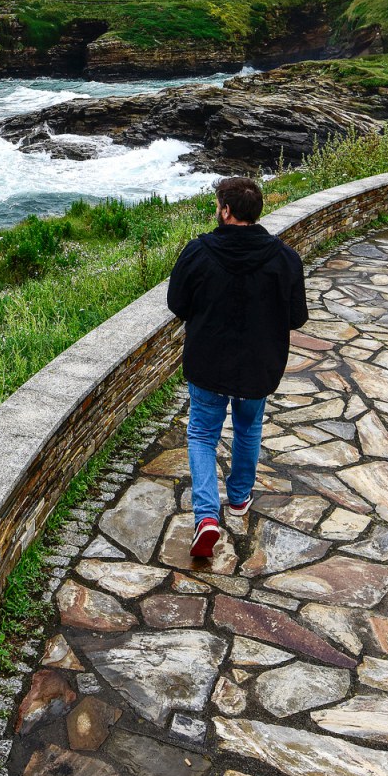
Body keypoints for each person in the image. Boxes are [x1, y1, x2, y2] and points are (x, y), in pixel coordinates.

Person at [166, 174, 309, 560]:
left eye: (218, 205)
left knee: (201, 435)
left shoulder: (198, 252)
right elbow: (296, 318)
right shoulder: (285, 258)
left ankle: (207, 517)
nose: (217, 210)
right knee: (248, 427)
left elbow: (177, 304)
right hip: (259, 365)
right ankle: (241, 496)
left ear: (226, 211)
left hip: (208, 361)